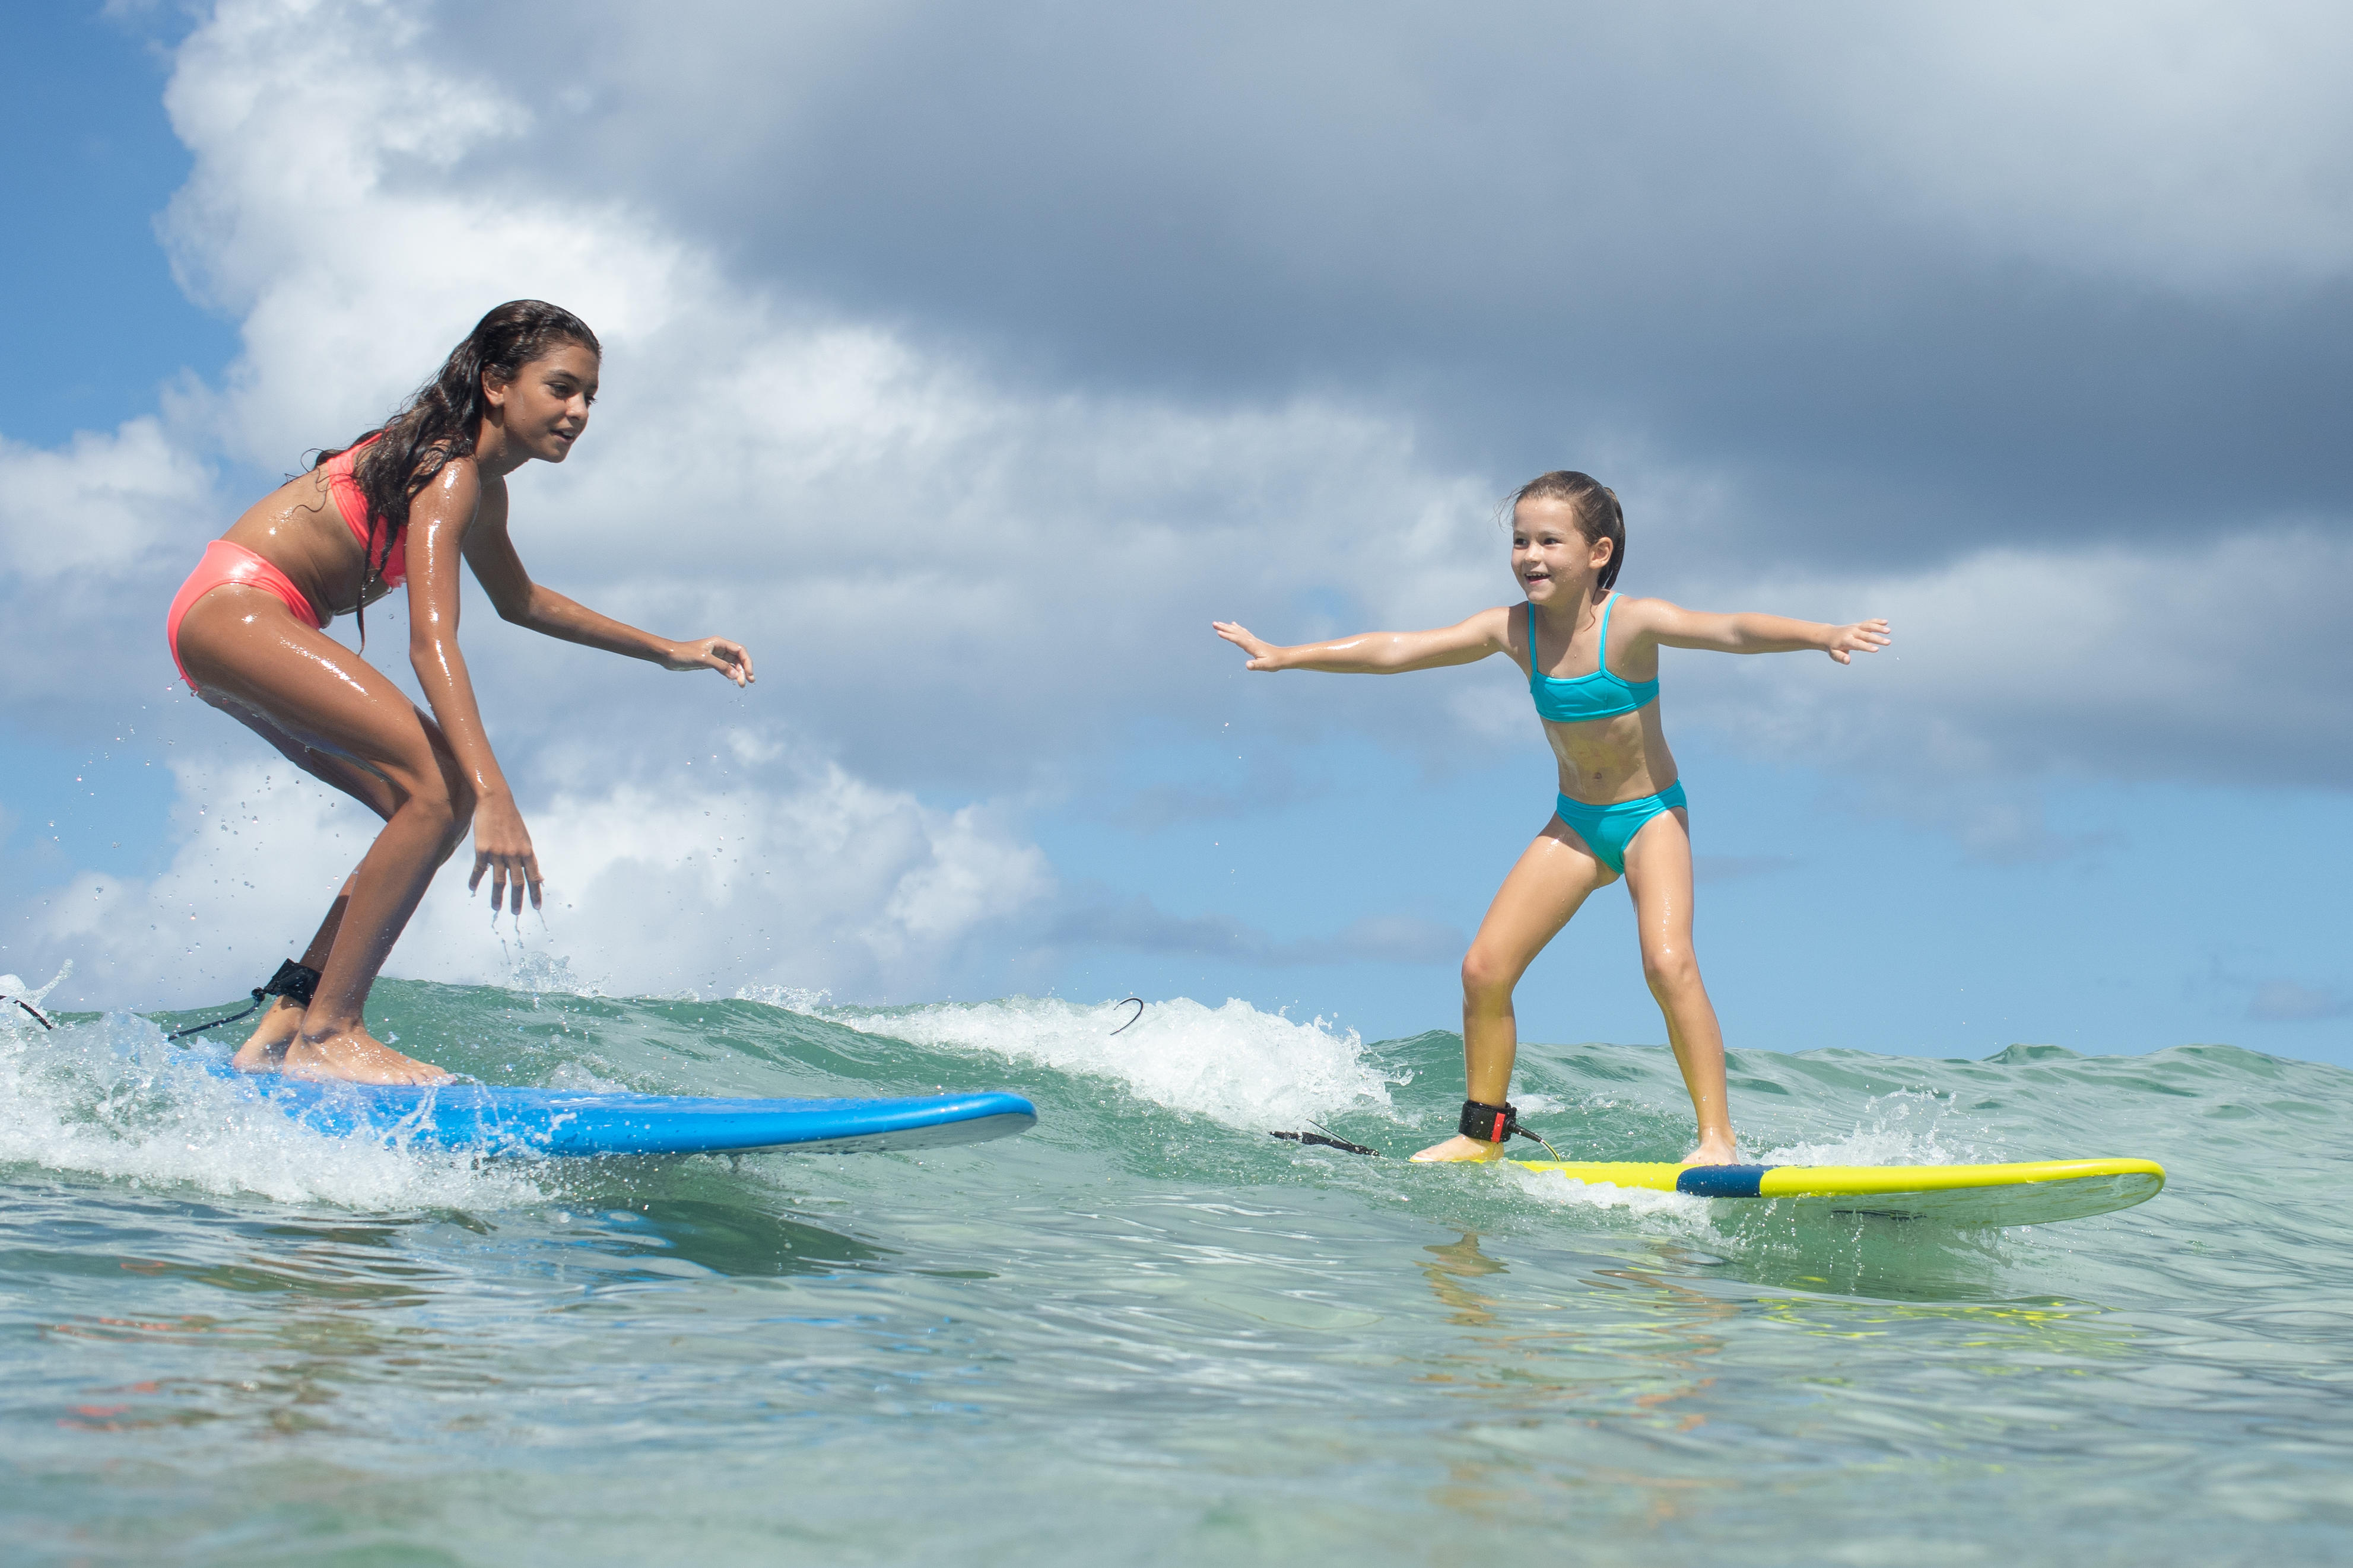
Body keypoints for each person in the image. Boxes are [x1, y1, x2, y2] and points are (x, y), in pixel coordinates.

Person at [1213, 470, 1888, 1164]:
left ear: (1597, 552)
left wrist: (1820, 634)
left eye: (1548, 541)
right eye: (1519, 541)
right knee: (1483, 969)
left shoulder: (1630, 624)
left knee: (1667, 962)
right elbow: (1399, 649)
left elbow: (1728, 629)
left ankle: (1716, 1140)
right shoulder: (1513, 630)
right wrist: (1288, 655)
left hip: (1649, 816)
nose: (1530, 556)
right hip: (1575, 823)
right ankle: (1481, 1140)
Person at [165, 300, 754, 1084]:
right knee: (444, 785)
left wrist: (669, 650)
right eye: (562, 388)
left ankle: (287, 1020)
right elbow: (431, 641)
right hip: (237, 609)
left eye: (590, 397)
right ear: (498, 384)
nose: (578, 411)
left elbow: (523, 600)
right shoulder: (448, 472)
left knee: (416, 805)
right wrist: (494, 789)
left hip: (226, 622)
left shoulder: (481, 490)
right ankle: (331, 1033)